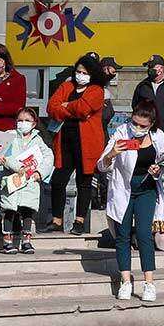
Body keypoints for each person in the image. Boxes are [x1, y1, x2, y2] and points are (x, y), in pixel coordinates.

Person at [97, 101, 164, 301]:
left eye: (142, 125)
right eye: (135, 123)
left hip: (147, 189)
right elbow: (102, 165)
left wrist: (158, 169)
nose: (137, 128)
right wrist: (112, 154)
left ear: (151, 124)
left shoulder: (158, 136)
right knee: (122, 235)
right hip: (123, 190)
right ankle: (125, 282)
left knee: (143, 234)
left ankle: (149, 283)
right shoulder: (122, 132)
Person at [45, 54, 106, 235]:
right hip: (65, 141)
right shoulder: (66, 86)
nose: (80, 75)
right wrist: (72, 107)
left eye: (84, 72)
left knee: (84, 182)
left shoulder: (96, 90)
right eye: (78, 71)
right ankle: (57, 220)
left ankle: (79, 221)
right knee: (58, 181)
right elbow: (51, 107)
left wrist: (66, 106)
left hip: (87, 143)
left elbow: (84, 109)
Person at [0, 107, 53, 254]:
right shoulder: (9, 136)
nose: (23, 123)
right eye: (20, 120)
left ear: (34, 124)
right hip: (11, 180)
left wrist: (39, 173)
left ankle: (26, 241)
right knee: (9, 210)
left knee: (28, 210)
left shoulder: (38, 140)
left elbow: (48, 157)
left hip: (29, 182)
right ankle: (7, 241)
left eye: (27, 121)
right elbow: (4, 157)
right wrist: (18, 167)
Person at [131, 55, 164, 142]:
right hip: (146, 132)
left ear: (161, 69)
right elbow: (135, 105)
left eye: (152, 67)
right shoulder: (143, 85)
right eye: (149, 67)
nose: (149, 69)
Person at [99, 56, 122, 131]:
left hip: (103, 127)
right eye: (114, 68)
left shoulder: (105, 83)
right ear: (105, 68)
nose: (115, 71)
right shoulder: (96, 84)